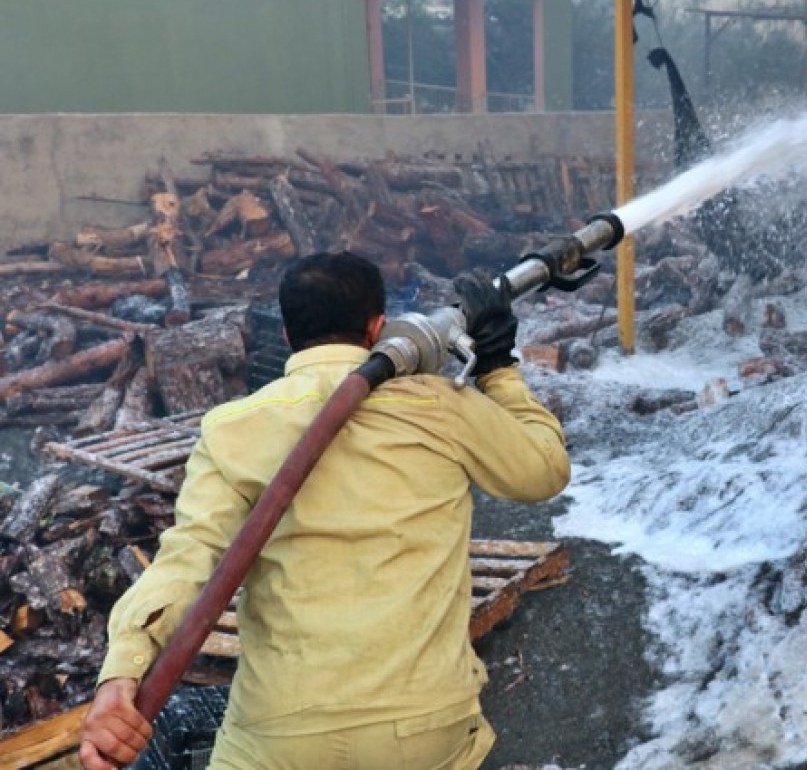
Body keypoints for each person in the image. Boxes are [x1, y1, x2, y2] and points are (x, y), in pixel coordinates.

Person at [79, 252, 571, 770]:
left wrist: (122, 671)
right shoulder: (442, 405)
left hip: (282, 736)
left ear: (287, 335)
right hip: (424, 726)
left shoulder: (232, 428)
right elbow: (544, 470)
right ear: (377, 327)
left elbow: (187, 560)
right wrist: (497, 368)